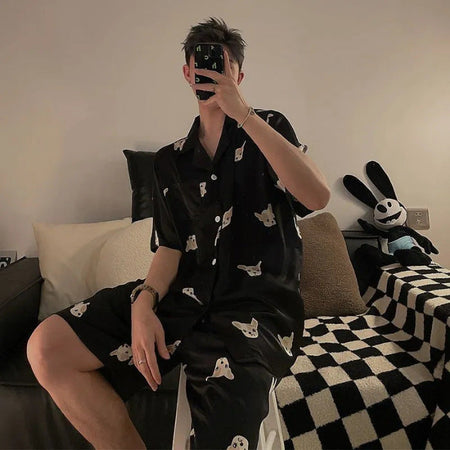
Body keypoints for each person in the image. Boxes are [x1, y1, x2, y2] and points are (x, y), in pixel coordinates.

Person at [26, 17, 330, 450]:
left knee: (228, 422)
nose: (210, 74)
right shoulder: (169, 161)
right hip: (181, 298)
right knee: (47, 347)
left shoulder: (269, 127)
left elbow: (317, 196)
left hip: (253, 309)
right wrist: (144, 303)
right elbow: (170, 246)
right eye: (201, 65)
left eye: (222, 66)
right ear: (187, 73)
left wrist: (243, 113)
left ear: (239, 76)